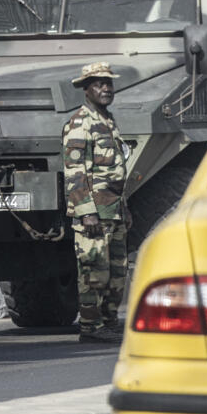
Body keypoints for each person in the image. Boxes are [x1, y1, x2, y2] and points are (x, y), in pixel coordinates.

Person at [62, 61, 130, 344]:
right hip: (94, 212)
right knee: (93, 270)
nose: (105, 88)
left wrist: (124, 210)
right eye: (99, 84)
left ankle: (109, 321)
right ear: (86, 89)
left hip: (113, 210)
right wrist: (86, 212)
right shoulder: (80, 124)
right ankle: (91, 327)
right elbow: (75, 173)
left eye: (108, 83)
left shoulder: (107, 121)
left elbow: (115, 172)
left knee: (116, 272)